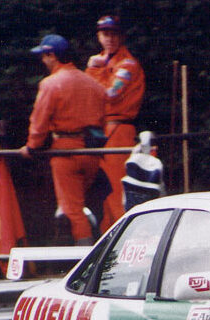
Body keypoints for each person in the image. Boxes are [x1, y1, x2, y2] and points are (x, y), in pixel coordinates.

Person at [19, 34, 107, 245]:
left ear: (52, 55)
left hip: (65, 151)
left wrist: (32, 147)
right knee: (86, 203)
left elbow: (39, 122)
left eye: (44, 56)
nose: (43, 60)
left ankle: (84, 257)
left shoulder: (51, 84)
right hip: (92, 151)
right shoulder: (92, 83)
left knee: (73, 209)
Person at [86, 14, 145, 231]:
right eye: (105, 34)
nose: (109, 38)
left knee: (117, 189)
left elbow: (109, 93)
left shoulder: (127, 64)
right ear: (99, 36)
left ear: (121, 37)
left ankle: (126, 235)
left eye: (114, 34)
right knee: (103, 191)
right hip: (100, 130)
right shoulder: (102, 61)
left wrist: (93, 71)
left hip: (118, 129)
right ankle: (108, 238)